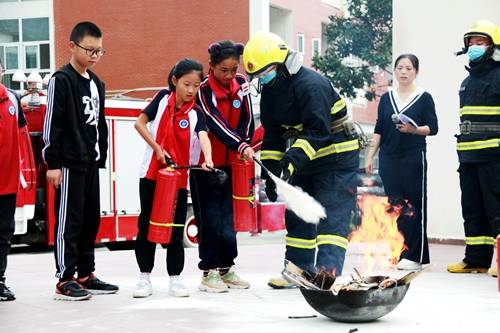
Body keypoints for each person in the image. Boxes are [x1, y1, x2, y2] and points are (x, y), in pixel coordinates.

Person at [242, 32, 360, 288]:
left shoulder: (310, 85)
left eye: (266, 72)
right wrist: (271, 175)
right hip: (306, 156)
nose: (263, 78)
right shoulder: (272, 90)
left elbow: (318, 131)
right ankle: (297, 272)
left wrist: (291, 163)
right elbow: (274, 136)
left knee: (331, 216)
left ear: (283, 64)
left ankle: (325, 275)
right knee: (298, 214)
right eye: (258, 76)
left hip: (336, 155)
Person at [42, 21, 118, 300]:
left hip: (90, 162)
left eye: (99, 51)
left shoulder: (97, 82)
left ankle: (86, 273)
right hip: (69, 164)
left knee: (90, 220)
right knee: (69, 221)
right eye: (90, 50)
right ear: (72, 46)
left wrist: (101, 157)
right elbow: (53, 124)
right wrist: (52, 164)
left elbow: (99, 124)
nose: (95, 56)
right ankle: (65, 277)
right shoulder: (61, 80)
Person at [133, 59, 213, 298]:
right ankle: (144, 279)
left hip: (177, 180)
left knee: (176, 230)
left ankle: (175, 280)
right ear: (174, 80)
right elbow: (139, 123)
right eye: (187, 84)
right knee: (146, 226)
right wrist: (157, 148)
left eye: (196, 86)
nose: (191, 90)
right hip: (150, 175)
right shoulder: (161, 99)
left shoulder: (197, 112)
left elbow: (203, 136)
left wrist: (207, 157)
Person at [365, 54, 439, 270]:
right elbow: (379, 128)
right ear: (394, 71)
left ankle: (416, 255)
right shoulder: (387, 98)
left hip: (413, 158)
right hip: (389, 159)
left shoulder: (424, 97)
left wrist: (414, 130)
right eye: (399, 68)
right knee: (396, 206)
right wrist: (370, 155)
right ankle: (400, 250)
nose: (403, 72)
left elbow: (433, 128)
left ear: (416, 71)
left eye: (408, 68)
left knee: (414, 205)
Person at [192, 40, 254, 293]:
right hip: (205, 166)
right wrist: (241, 145)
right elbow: (214, 123)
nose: (229, 76)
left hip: (232, 164)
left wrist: (245, 144)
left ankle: (227, 268)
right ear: (212, 66)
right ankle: (209, 272)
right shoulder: (203, 90)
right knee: (210, 219)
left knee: (229, 219)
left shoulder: (241, 83)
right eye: (223, 71)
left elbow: (248, 117)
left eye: (233, 69)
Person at [447, 20, 500, 278]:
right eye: (471, 42)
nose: (474, 47)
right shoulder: (467, 81)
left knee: (497, 210)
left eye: (480, 43)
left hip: (494, 156)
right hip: (468, 156)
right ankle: (476, 259)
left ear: (492, 46)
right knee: (472, 209)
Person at [0, 60, 26, 301]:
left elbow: (21, 134)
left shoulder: (13, 99)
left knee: (4, 233)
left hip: (6, 181)